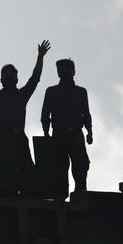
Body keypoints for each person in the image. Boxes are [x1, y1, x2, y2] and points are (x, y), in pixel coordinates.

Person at [0, 40, 50, 194]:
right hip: (4, 141)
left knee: (28, 180)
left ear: (16, 78)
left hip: (19, 140)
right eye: (7, 74)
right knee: (5, 182)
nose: (10, 76)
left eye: (12, 74)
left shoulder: (21, 95)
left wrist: (40, 57)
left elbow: (35, 78)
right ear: (2, 79)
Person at [41, 58, 92, 194]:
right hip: (59, 134)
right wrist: (46, 133)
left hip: (76, 134)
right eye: (61, 69)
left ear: (73, 71)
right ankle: (61, 195)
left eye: (67, 68)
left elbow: (86, 114)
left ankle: (80, 193)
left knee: (80, 166)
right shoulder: (51, 92)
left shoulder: (81, 92)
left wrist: (89, 131)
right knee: (60, 168)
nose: (64, 71)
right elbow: (45, 115)